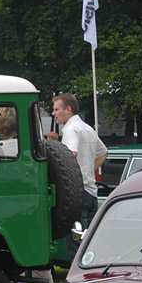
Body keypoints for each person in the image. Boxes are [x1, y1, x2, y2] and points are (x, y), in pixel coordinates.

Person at [52, 94, 107, 232]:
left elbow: (70, 154)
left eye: (57, 109)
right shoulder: (88, 128)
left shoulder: (71, 129)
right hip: (92, 193)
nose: (54, 114)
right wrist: (88, 170)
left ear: (68, 109)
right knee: (87, 240)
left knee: (75, 243)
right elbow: (103, 152)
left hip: (77, 194)